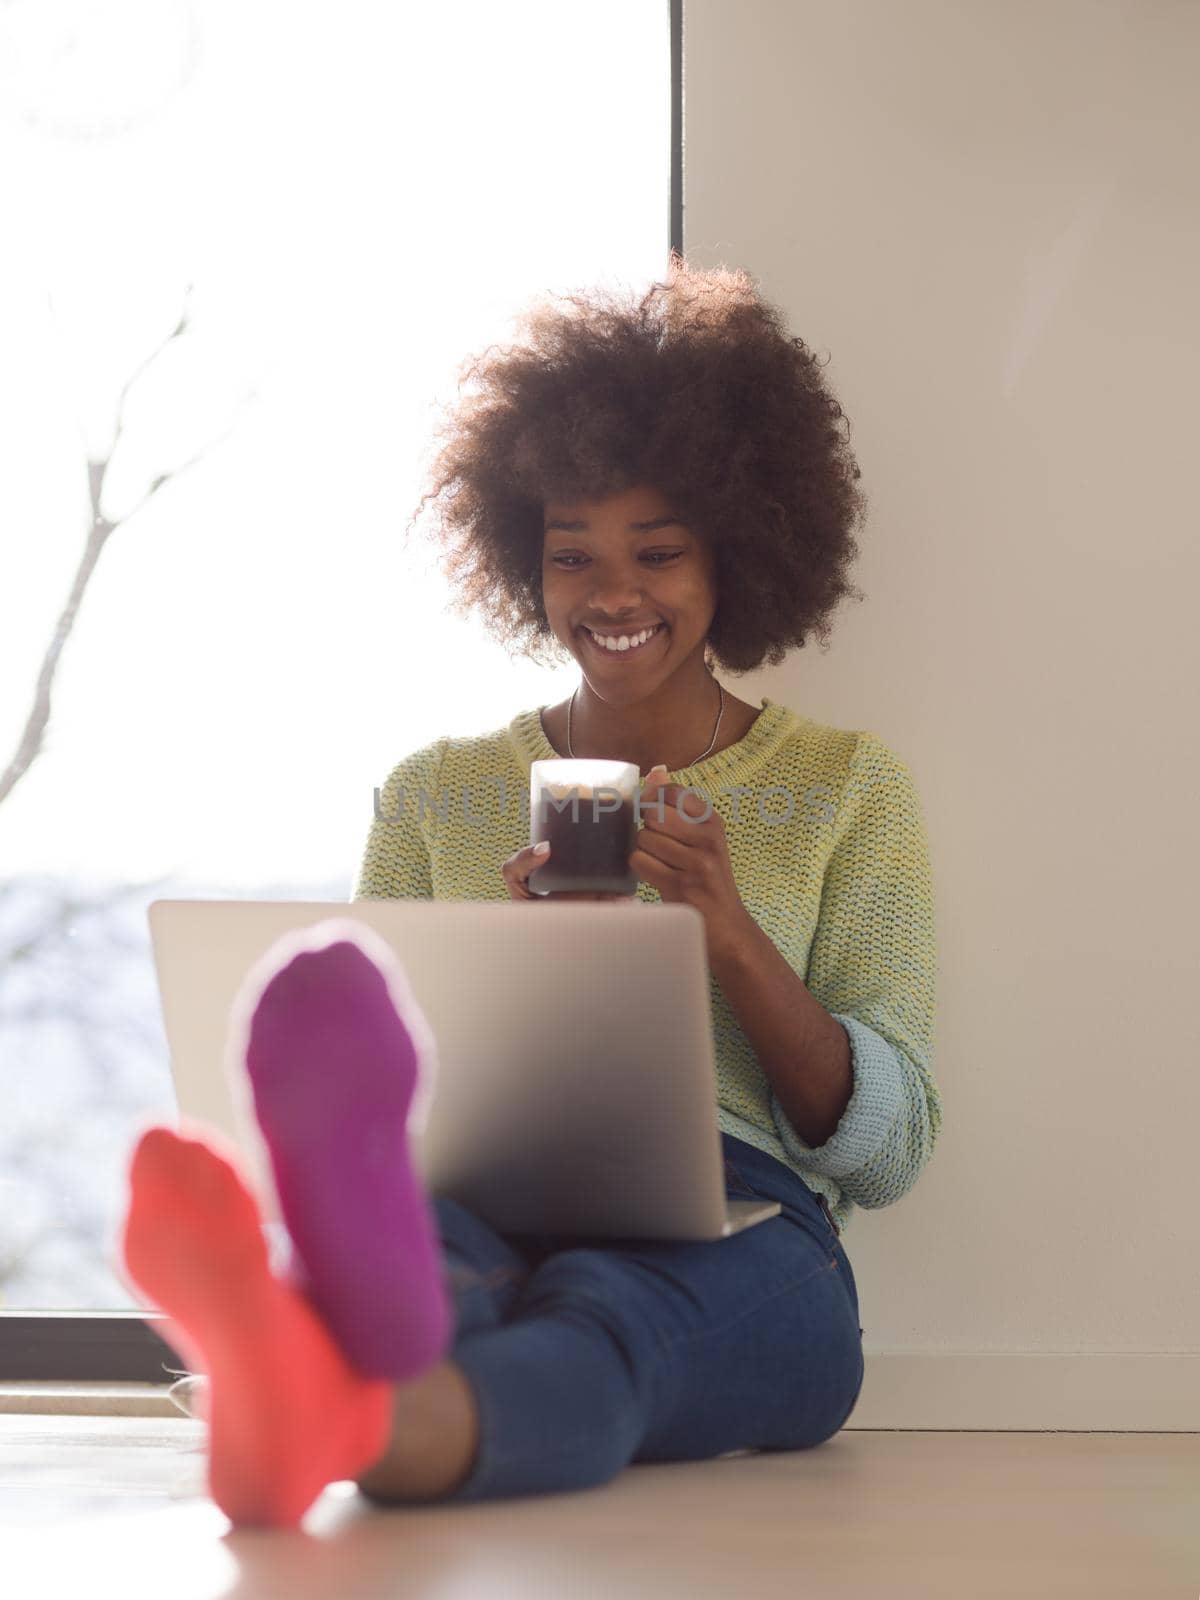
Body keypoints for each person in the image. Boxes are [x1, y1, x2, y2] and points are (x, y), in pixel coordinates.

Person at [118, 254, 941, 1528]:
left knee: (610, 1316)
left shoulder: (843, 786)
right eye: (573, 557)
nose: (612, 594)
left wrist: (726, 937)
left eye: (657, 552)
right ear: (523, 562)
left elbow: (888, 1150)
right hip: (486, 1188)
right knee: (456, 1257)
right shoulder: (437, 791)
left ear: (736, 554)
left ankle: (313, 1378)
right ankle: (353, 1350)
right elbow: (374, 1077)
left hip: (747, 1214)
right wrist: (536, 968)